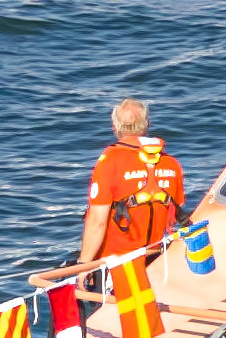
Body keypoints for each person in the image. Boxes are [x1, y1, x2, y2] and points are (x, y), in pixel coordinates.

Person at [78, 99, 184, 265]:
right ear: (147, 124)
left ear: (114, 126)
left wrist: (82, 267)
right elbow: (172, 218)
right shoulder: (171, 163)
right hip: (156, 261)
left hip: (116, 265)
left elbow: (98, 222)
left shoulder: (110, 161)